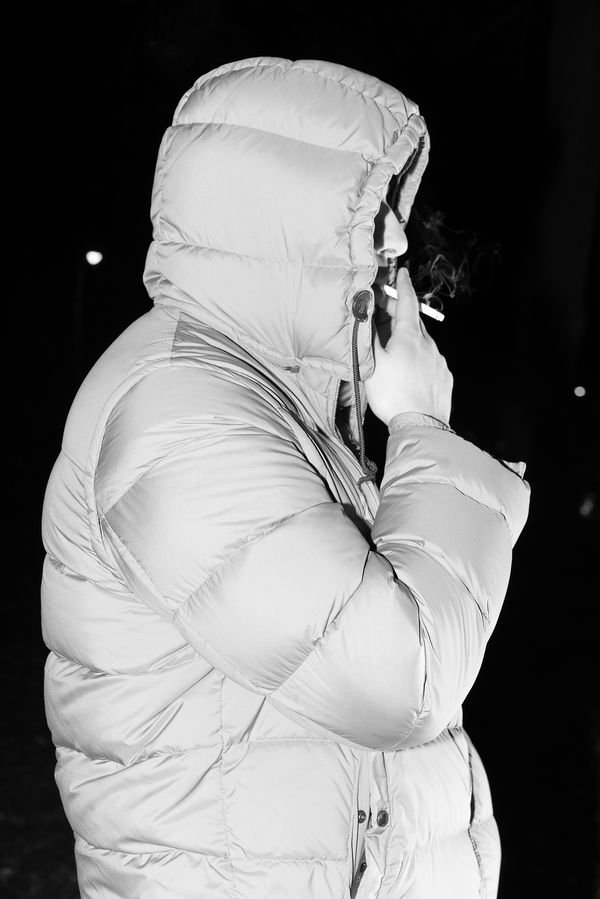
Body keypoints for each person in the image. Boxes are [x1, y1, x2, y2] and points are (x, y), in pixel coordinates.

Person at [41, 56, 531, 899]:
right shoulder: (177, 409)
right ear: (276, 218)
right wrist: (425, 428)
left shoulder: (279, 403)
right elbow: (401, 682)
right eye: (373, 210)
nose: (400, 241)